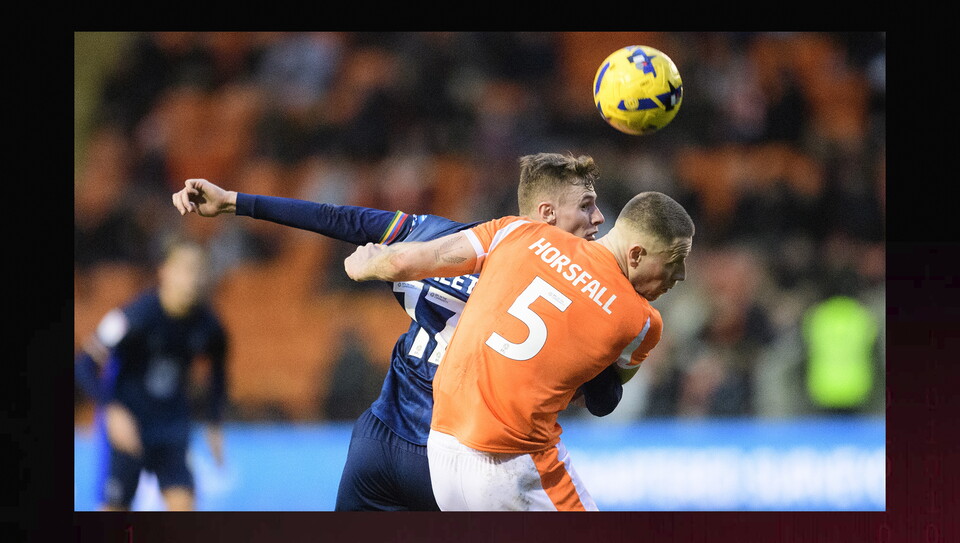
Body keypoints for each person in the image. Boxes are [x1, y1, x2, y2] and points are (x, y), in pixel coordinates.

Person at [171, 152, 623, 511]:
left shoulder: (434, 234)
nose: (599, 219)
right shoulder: (565, 301)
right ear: (546, 214)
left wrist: (234, 201)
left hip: (376, 443)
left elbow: (340, 219)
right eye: (586, 206)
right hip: (456, 463)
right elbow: (604, 401)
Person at [344, 190, 694, 511]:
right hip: (511, 462)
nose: (679, 274)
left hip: (441, 451)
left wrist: (366, 264)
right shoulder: (643, 322)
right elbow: (601, 398)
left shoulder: (519, 232)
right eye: (675, 260)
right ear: (636, 254)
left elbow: (411, 261)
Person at [74, 238, 228, 511]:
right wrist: (111, 410)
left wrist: (214, 422)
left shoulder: (209, 326)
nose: (192, 278)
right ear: (164, 271)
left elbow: (218, 373)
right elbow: (84, 364)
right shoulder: (135, 316)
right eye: (184, 269)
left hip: (172, 426)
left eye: (198, 270)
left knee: (185, 508)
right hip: (130, 425)